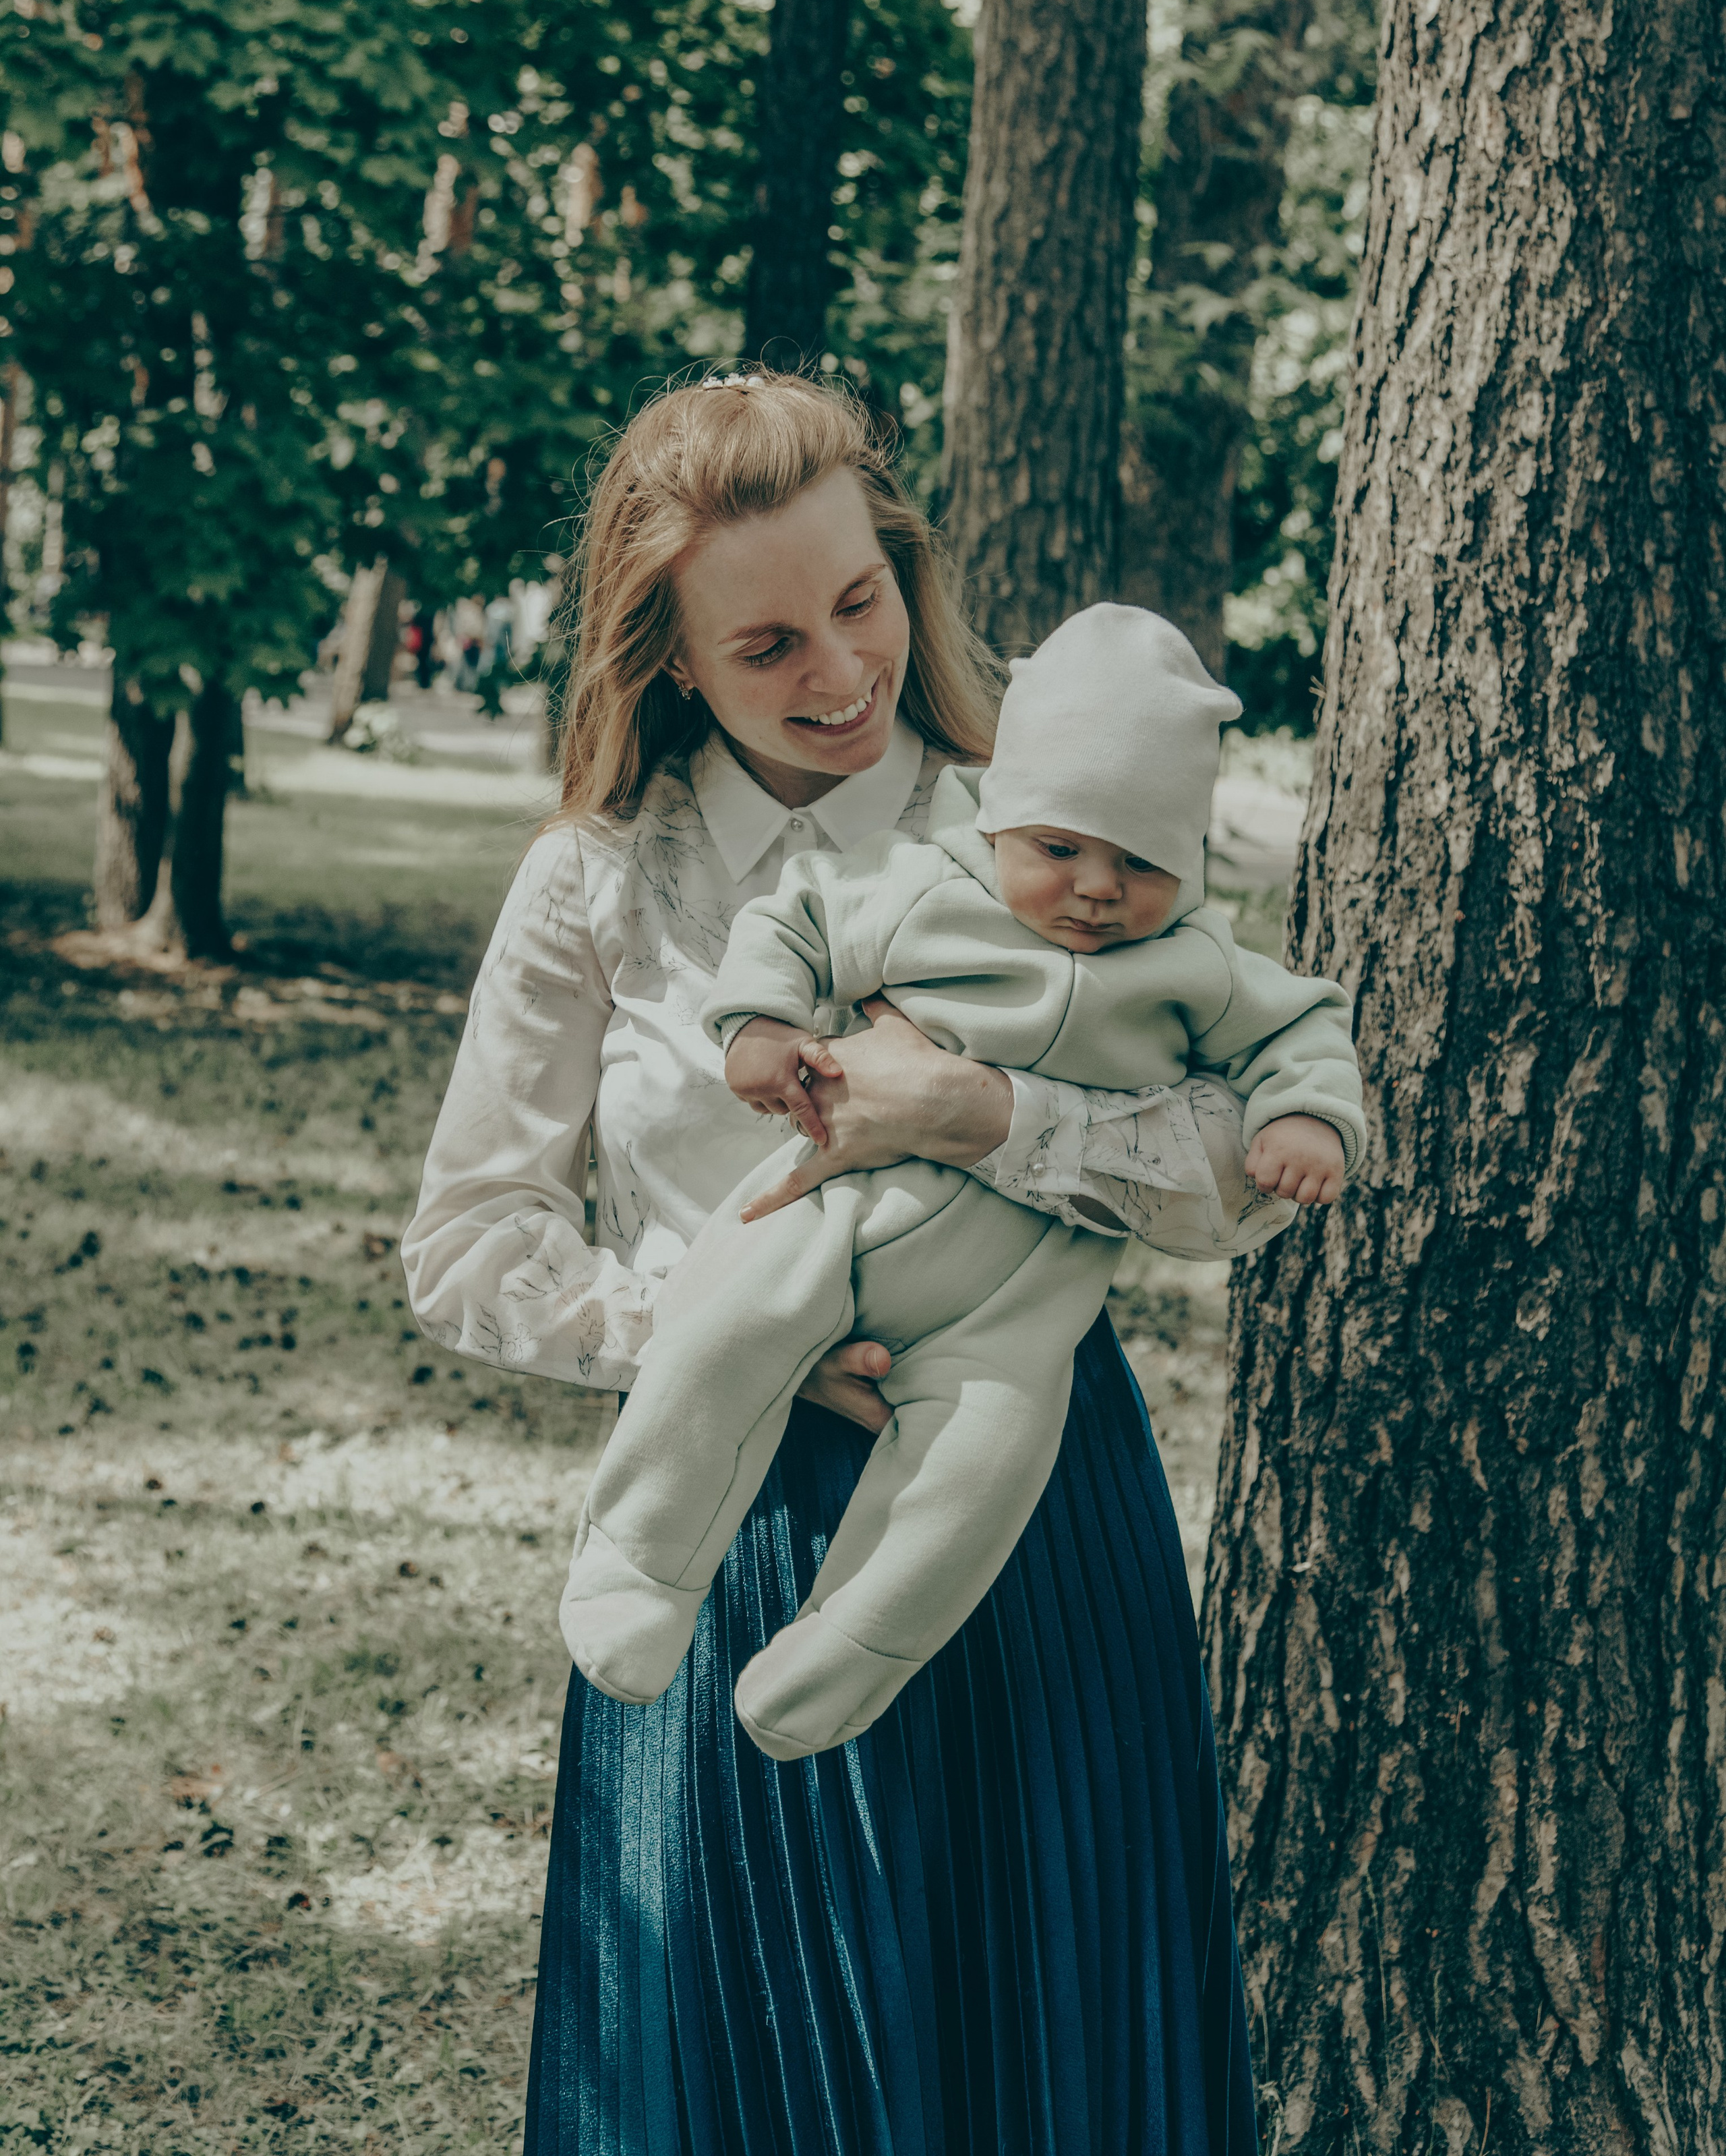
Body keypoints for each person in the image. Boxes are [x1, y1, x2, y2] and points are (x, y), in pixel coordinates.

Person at [403, 370, 1261, 2153]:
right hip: (728, 1529)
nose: (838, 674)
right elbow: (470, 1242)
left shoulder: (1048, 827)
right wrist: (734, 1327)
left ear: (907, 567)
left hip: (1034, 1508)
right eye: (769, 642)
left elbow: (1224, 1171)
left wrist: (986, 1115)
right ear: (673, 664)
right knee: (741, 2065)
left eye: (860, 602)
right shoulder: (596, 880)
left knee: (1046, 2041)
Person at [562, 603, 1362, 1761]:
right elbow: (796, 923)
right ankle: (637, 1563)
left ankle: (842, 1656)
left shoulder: (1200, 967)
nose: (1095, 886)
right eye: (1059, 848)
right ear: (1001, 822)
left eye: (1139, 862)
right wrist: (759, 1028)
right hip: (835, 1222)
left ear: (1184, 865)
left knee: (978, 1473)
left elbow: (1307, 1034)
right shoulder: (927, 886)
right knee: (724, 1329)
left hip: (1013, 1315)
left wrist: (1307, 1117)